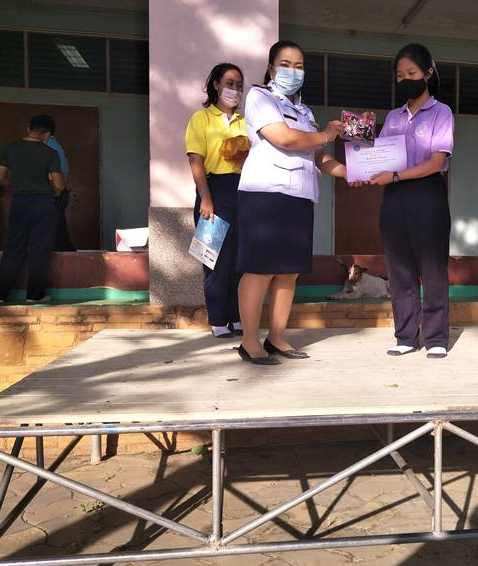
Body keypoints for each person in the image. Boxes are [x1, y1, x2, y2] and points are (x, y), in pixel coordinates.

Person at [237, 40, 346, 365]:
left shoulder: (305, 111)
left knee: (288, 273)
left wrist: (352, 173)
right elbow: (284, 138)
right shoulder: (260, 97)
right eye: (285, 64)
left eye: (299, 66)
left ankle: (277, 337)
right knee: (260, 270)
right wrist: (326, 134)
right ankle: (249, 342)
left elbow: (318, 157)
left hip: (299, 196)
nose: (293, 71)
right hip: (265, 194)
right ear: (272, 69)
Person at [368, 43, 455, 359]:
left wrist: (394, 176)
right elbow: (378, 158)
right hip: (394, 197)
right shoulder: (393, 117)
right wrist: (362, 132)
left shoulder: (441, 112)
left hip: (428, 194)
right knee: (399, 268)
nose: (405, 79)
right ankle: (405, 336)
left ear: (428, 74)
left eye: (412, 73)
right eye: (400, 75)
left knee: (432, 268)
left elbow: (435, 163)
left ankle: (435, 337)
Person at [185, 62, 250, 338]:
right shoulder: (201, 118)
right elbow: (195, 160)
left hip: (243, 190)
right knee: (215, 260)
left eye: (239, 85)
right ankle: (218, 320)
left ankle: (236, 316)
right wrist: (205, 196)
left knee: (240, 260)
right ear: (216, 85)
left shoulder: (246, 122)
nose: (235, 90)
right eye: (229, 84)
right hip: (214, 189)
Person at [0, 114, 65, 304]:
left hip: (19, 202)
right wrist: (51, 193)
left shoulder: (10, 148)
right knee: (40, 249)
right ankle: (34, 295)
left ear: (28, 127)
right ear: (47, 134)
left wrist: (17, 183)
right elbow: (59, 185)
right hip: (43, 203)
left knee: (13, 248)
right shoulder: (50, 153)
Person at [46, 134, 75, 251]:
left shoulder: (48, 145)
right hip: (58, 193)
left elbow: (56, 181)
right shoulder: (56, 145)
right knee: (59, 231)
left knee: (56, 234)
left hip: (54, 193)